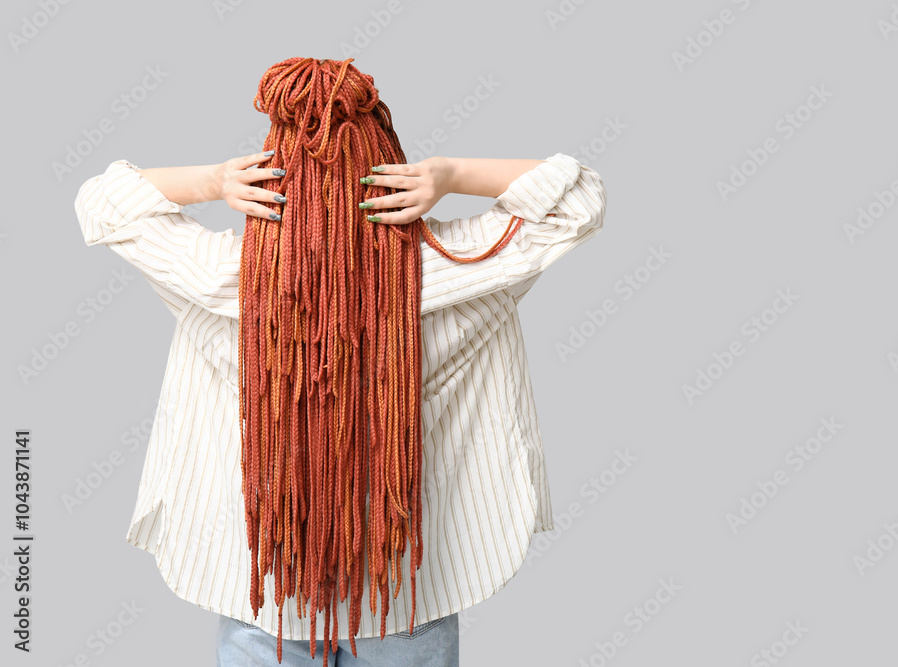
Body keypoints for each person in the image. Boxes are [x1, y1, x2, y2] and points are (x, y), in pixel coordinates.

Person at [74, 57, 606, 666]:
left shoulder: (218, 278)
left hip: (264, 612)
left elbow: (102, 201)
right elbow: (580, 196)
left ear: (273, 171)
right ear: (388, 165)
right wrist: (451, 175)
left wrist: (214, 182)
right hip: (405, 604)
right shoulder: (459, 269)